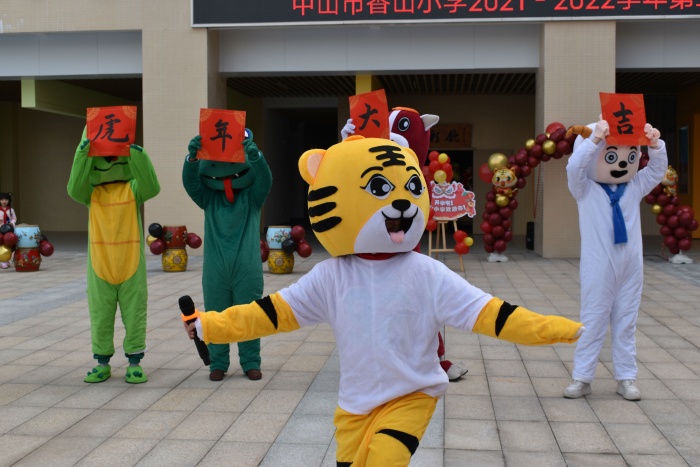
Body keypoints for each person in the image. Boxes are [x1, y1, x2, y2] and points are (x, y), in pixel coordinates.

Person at [182, 136, 584, 466]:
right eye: (379, 189)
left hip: (412, 396)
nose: (403, 202)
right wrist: (208, 325)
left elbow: (493, 315)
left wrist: (561, 329)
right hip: (354, 406)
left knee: (384, 460)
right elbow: (269, 314)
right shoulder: (331, 276)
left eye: (412, 188)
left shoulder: (427, 274)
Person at [342, 109, 469, 382]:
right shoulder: (374, 169)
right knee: (372, 309)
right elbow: (348, 184)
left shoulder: (416, 175)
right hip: (369, 254)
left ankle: (436, 360)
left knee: (419, 308)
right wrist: (346, 146)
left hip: (406, 255)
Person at [563, 118, 666, 401]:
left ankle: (626, 377)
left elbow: (656, 170)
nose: (622, 163)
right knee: (593, 320)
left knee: (626, 322)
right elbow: (574, 168)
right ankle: (582, 377)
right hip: (599, 264)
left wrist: (656, 145)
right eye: (611, 156)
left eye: (630, 156)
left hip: (630, 265)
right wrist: (594, 139)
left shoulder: (634, 185)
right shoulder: (585, 190)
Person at [67, 128, 160, 383]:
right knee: (100, 315)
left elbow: (152, 186)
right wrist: (82, 154)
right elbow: (74, 188)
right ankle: (102, 363)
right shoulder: (91, 193)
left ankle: (134, 362)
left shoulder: (133, 189)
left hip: (131, 265)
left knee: (135, 313)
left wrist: (137, 154)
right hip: (100, 266)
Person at [183, 129, 272, 381]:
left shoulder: (252, 198)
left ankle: (251, 361)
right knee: (215, 315)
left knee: (250, 315)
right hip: (216, 269)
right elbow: (191, 184)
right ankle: (218, 363)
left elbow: (265, 181)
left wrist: (256, 157)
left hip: (247, 268)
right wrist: (191, 159)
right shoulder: (209, 198)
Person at [0, 192, 17, 269]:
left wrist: (12, 223)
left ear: (9, 200)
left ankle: (6, 260)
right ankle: (2, 260)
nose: (4, 201)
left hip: (8, 230)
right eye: (2, 200)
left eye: (6, 200)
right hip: (0, 229)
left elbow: (14, 218)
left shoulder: (11, 210)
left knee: (8, 244)